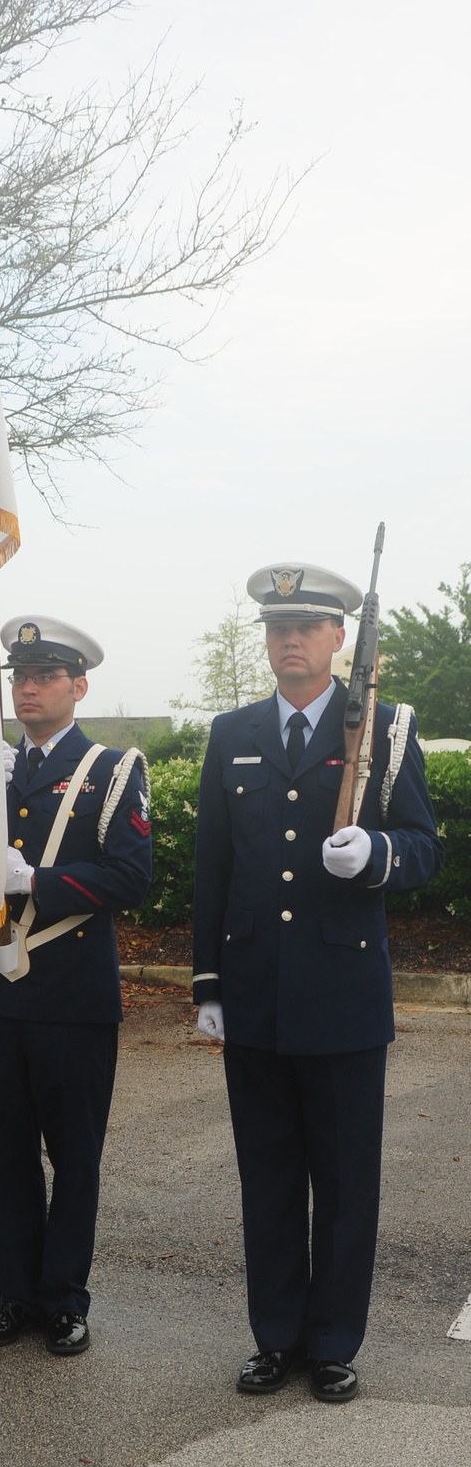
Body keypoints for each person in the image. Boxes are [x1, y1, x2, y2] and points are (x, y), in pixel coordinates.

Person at [192, 562, 443, 1403]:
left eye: (307, 625)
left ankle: (333, 1341)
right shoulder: (233, 733)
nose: (289, 639)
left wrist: (378, 855)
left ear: (340, 638)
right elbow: (213, 868)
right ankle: (276, 1338)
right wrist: (207, 984)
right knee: (266, 1177)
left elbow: (423, 845)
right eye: (276, 626)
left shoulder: (384, 728)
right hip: (256, 992)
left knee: (342, 1183)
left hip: (341, 996)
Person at [0, 615, 153, 1358]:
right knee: (5, 1154)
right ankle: (15, 1296)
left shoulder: (111, 768)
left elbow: (130, 877)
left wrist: (37, 880)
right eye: (21, 676)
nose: (29, 688)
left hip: (71, 995)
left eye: (46, 676)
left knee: (73, 1157)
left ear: (79, 686)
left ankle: (65, 1298)